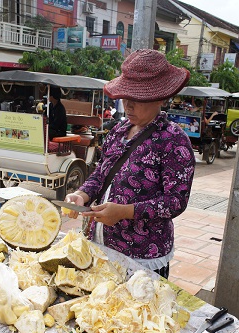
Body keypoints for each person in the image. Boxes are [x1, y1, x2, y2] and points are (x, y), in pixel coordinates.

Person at [64, 49, 195, 279]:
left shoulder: (174, 140)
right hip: (100, 244)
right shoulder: (118, 130)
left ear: (160, 98)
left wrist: (125, 212)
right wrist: (82, 195)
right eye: (125, 98)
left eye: (138, 99)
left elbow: (175, 201)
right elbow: (101, 173)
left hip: (142, 257)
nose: (129, 106)